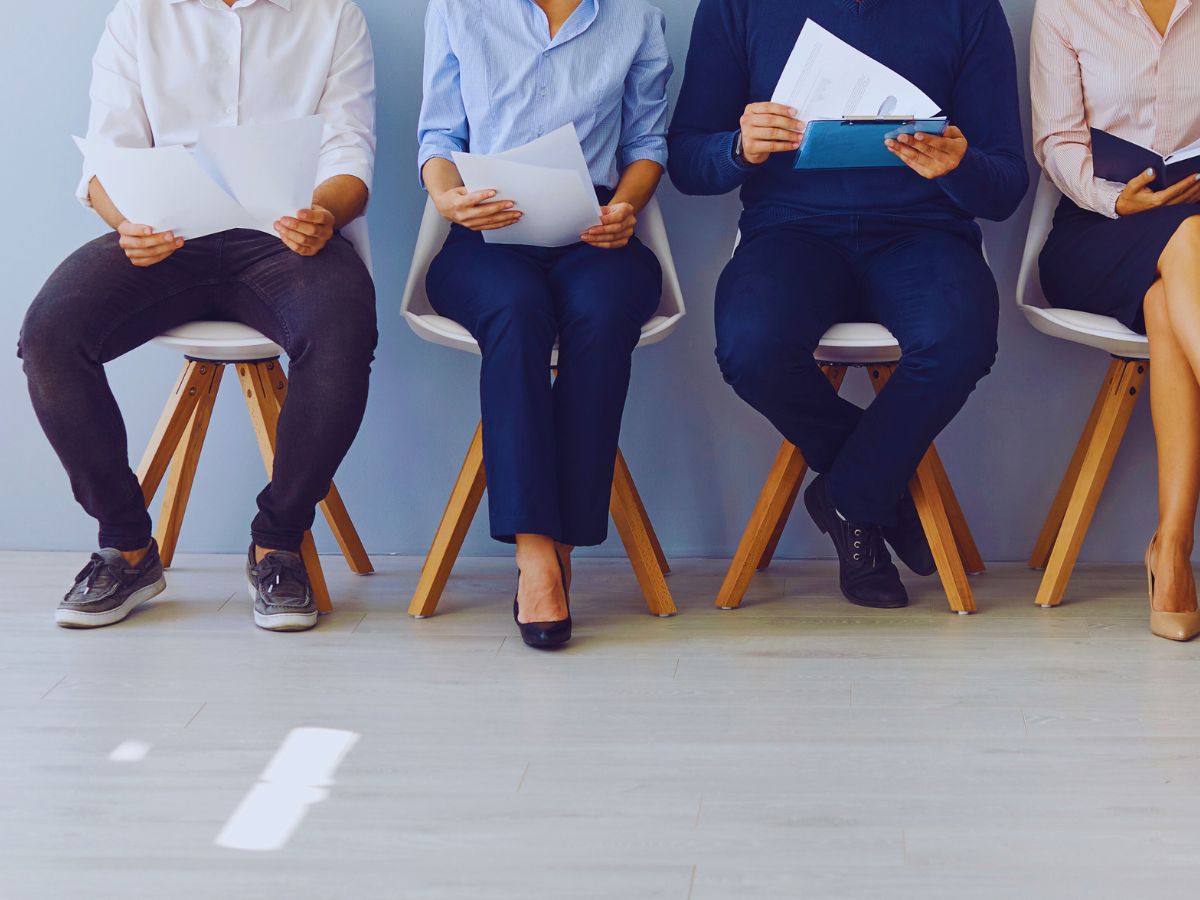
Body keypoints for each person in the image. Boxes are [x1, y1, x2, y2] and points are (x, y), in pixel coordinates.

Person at [19, 0, 377, 633]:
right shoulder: (138, 13)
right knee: (49, 333)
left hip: (286, 234)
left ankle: (278, 544)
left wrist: (323, 212)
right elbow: (104, 156)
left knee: (344, 326)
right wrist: (126, 224)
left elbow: (351, 149)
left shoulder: (331, 12)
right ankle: (127, 547)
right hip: (165, 234)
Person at [668, 0, 1027, 609]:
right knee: (751, 345)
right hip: (791, 228)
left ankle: (849, 498)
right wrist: (738, 147)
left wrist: (958, 166)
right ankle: (877, 491)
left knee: (959, 338)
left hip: (924, 229)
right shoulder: (737, 7)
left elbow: (1005, 184)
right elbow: (687, 160)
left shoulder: (968, 10)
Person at [417, 0, 671, 647]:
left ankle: (563, 544)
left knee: (603, 310)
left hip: (595, 233)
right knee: (516, 310)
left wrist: (628, 206)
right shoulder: (457, 8)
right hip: (484, 240)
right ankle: (536, 555)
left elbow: (645, 144)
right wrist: (449, 198)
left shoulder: (636, 13)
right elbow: (439, 138)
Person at [1031, 0, 1200, 641]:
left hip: (1194, 226)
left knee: (1168, 297)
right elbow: (1056, 138)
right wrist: (1114, 198)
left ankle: (1173, 548)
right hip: (1099, 226)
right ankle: (1173, 554)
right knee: (1185, 241)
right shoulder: (1066, 8)